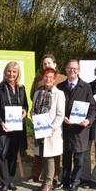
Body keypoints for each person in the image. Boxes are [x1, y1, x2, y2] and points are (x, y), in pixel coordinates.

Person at [55, 59, 96, 191]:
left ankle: (75, 182)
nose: (72, 70)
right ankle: (65, 180)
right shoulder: (60, 86)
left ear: (78, 70)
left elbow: (92, 107)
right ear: (65, 69)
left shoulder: (86, 87)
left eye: (75, 68)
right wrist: (62, 118)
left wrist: (88, 120)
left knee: (78, 158)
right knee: (66, 157)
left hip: (80, 129)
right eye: (69, 68)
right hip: (65, 128)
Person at [0, 61, 28, 191]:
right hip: (3, 127)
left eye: (14, 72)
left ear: (18, 74)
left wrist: (25, 111)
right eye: (9, 71)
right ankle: (4, 182)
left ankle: (11, 179)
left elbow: (26, 105)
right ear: (5, 72)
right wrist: (1, 123)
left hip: (17, 127)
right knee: (3, 154)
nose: (11, 74)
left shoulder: (22, 89)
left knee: (13, 154)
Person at [27, 54, 66, 184]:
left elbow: (61, 110)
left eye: (49, 63)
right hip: (40, 122)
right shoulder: (38, 80)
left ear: (55, 64)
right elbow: (33, 96)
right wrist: (36, 118)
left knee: (53, 152)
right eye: (44, 64)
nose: (47, 66)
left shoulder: (62, 81)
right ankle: (36, 175)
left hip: (54, 124)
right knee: (40, 151)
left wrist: (53, 126)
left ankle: (53, 177)